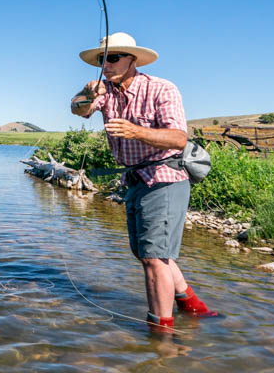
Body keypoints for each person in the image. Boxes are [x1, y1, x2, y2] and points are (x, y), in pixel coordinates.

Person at [70, 32, 216, 333]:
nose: (105, 64)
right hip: (135, 178)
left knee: (153, 257)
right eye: (101, 59)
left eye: (112, 58)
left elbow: (178, 138)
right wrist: (86, 93)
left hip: (165, 177)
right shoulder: (104, 92)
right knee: (147, 253)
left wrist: (135, 131)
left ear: (131, 60)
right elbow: (78, 109)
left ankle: (161, 336)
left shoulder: (162, 89)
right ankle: (193, 306)